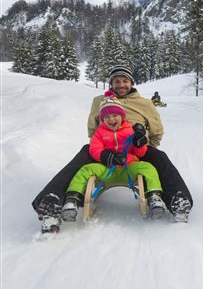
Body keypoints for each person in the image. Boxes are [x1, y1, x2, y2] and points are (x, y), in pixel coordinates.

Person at [33, 65, 193, 233]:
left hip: (136, 147)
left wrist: (144, 145)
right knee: (83, 152)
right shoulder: (99, 101)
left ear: (131, 82)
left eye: (125, 81)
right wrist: (102, 152)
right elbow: (93, 130)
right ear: (111, 84)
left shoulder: (144, 104)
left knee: (160, 157)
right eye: (117, 81)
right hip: (105, 147)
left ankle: (178, 199)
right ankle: (51, 201)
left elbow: (157, 132)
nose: (121, 85)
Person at [61, 94, 165, 222]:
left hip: (128, 170)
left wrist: (139, 143)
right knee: (85, 169)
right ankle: (73, 199)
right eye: (107, 117)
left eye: (115, 116)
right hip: (106, 170)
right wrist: (106, 156)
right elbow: (94, 149)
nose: (111, 119)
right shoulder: (99, 133)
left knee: (148, 168)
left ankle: (154, 197)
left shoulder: (130, 131)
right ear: (102, 119)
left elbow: (141, 153)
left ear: (122, 117)